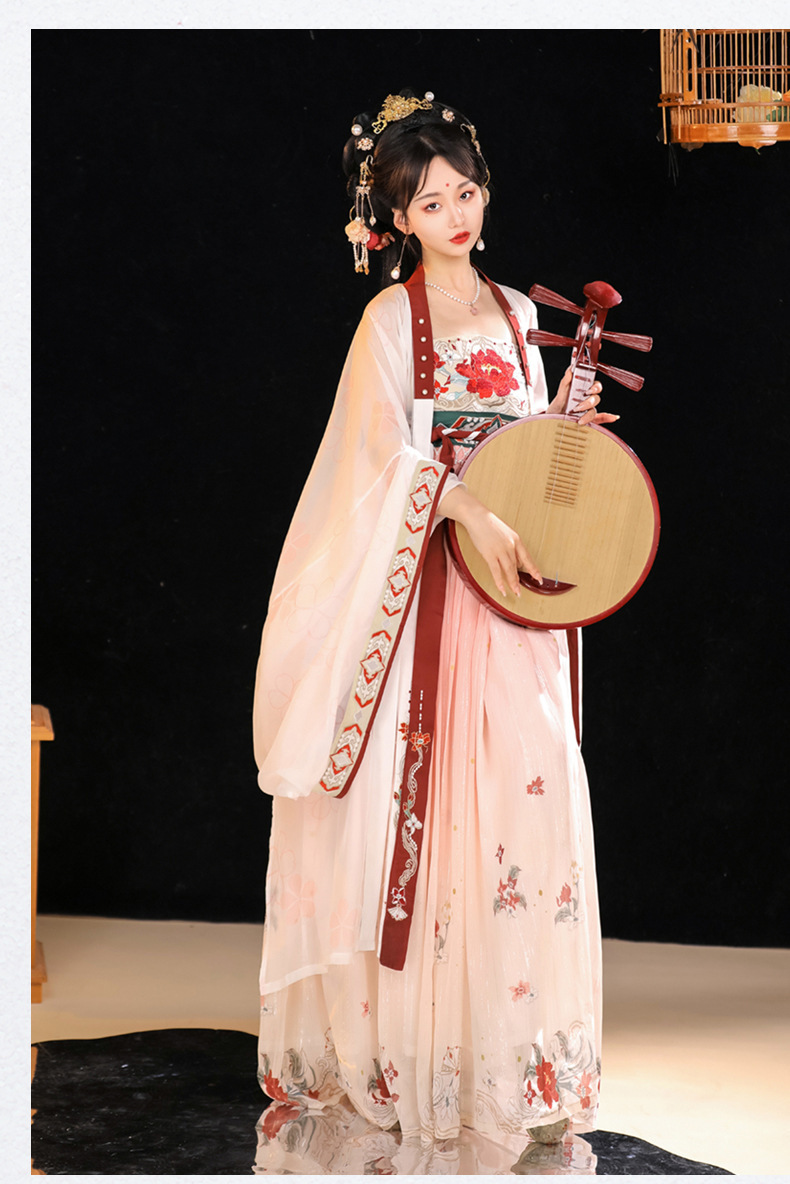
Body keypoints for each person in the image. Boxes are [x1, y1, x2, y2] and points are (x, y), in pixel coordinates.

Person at [252, 90, 616, 1151]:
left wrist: (563, 427)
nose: (453, 214)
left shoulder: (515, 315)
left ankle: (509, 1054)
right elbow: (375, 459)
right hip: (425, 593)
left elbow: (528, 446)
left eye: (464, 192)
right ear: (397, 220)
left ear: (484, 194)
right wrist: (460, 502)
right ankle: (417, 1054)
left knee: (522, 793)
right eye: (428, 202)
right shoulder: (388, 322)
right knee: (428, 794)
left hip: (506, 598)